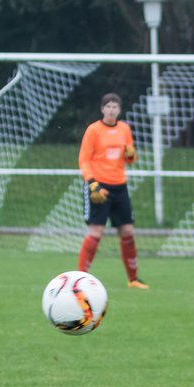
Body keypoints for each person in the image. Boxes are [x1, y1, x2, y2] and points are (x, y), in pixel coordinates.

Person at [77, 93, 148, 289]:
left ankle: (133, 279)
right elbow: (83, 159)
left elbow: (129, 157)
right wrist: (92, 182)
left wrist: (132, 155)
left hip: (120, 186)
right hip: (98, 186)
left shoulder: (124, 128)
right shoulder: (93, 130)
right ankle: (80, 278)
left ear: (119, 110)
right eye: (108, 106)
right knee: (96, 232)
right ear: (102, 109)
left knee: (127, 231)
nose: (111, 110)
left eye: (115, 107)